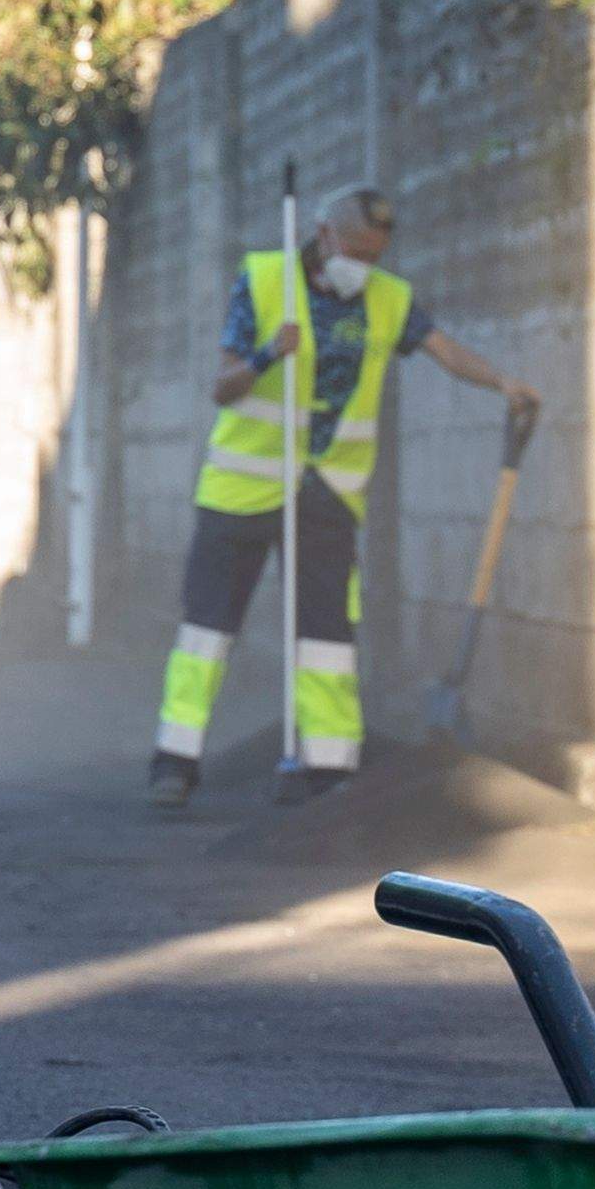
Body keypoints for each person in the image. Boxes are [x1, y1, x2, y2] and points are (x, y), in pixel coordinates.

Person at [148, 183, 539, 806]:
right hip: (243, 489)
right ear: (325, 235)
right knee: (207, 631)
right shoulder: (265, 281)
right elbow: (222, 388)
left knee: (327, 637)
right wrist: (268, 355)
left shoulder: (388, 299)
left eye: (376, 256)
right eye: (357, 251)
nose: (365, 266)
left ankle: (330, 770)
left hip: (326, 493)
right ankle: (175, 761)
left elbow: (442, 349)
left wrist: (502, 382)